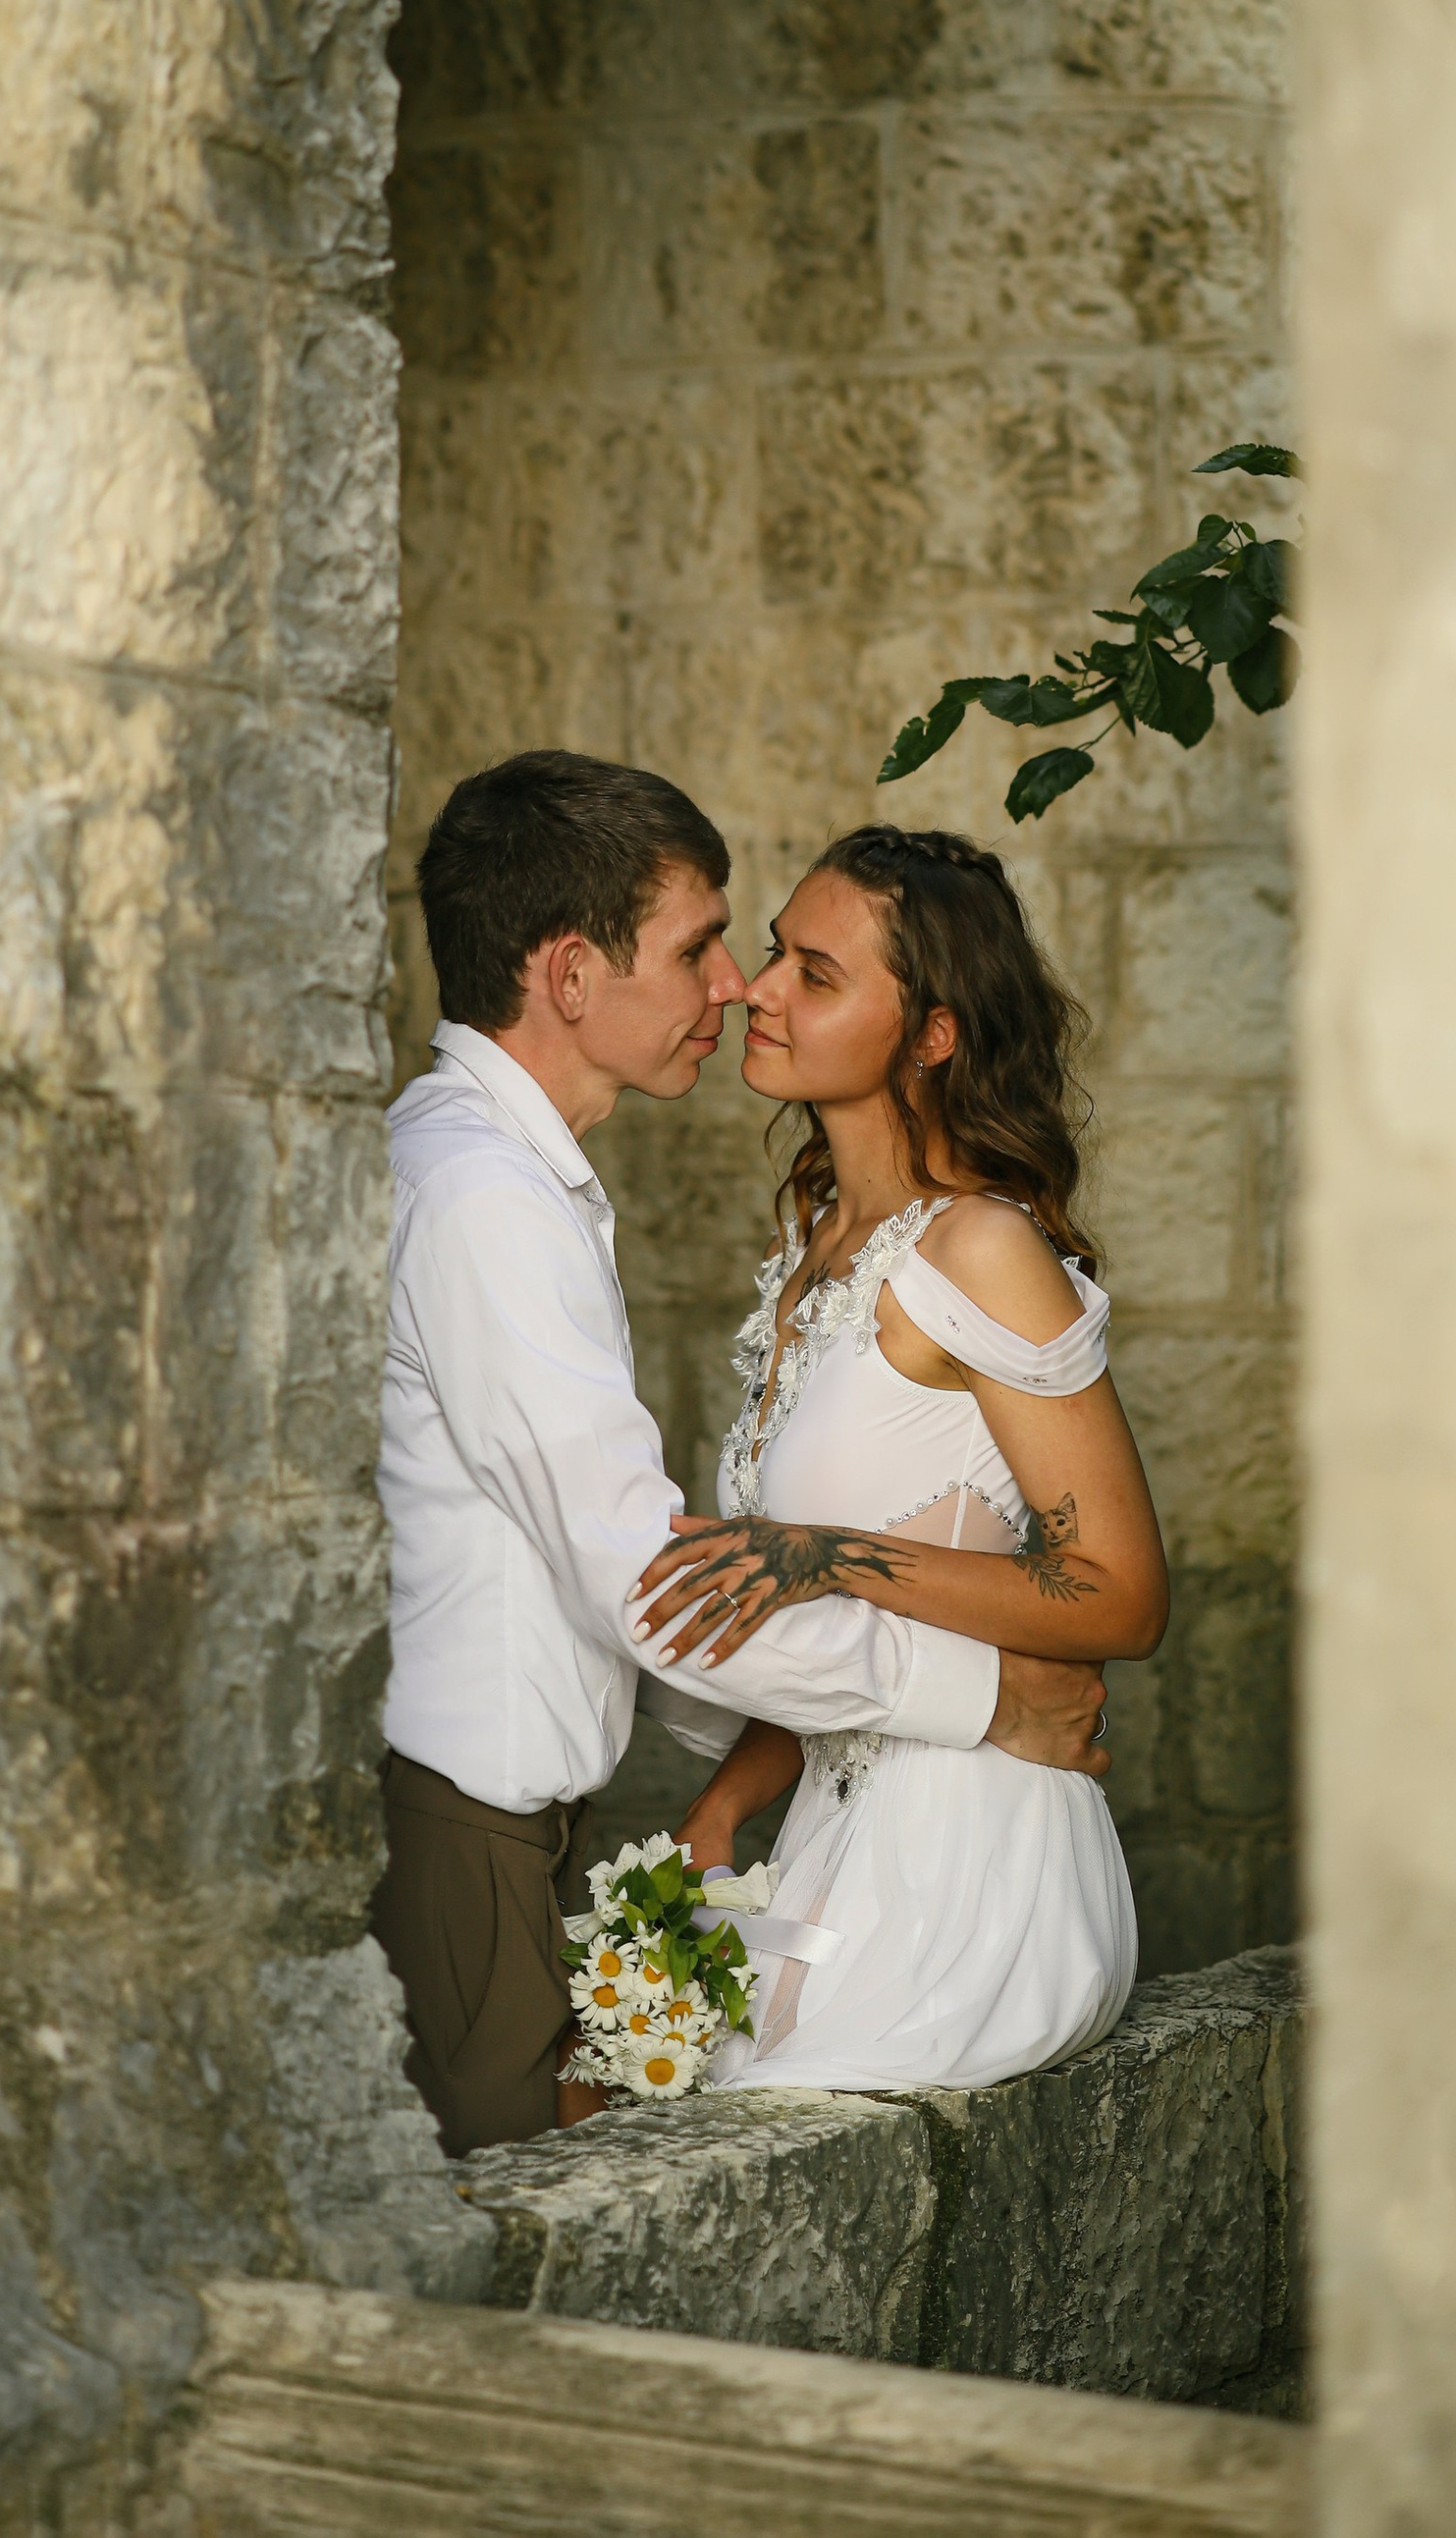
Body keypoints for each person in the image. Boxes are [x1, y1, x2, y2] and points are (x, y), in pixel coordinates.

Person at [372, 753, 1114, 2156]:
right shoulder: (487, 1200)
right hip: (476, 1828)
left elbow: (695, 1581)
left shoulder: (494, 1174)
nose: (736, 987)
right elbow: (647, 1578)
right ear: (572, 975)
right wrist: (988, 1694)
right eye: (708, 947)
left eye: (784, 962)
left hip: (894, 1856)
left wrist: (721, 1799)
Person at [631, 824, 1165, 2092]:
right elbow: (831, 1626)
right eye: (773, 956)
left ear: (932, 1033)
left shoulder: (983, 1250)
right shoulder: (816, 1237)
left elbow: (1122, 1598)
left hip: (971, 1851)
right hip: (831, 1823)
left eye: (815, 974)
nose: (757, 990)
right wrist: (723, 1808)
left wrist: (822, 1551)